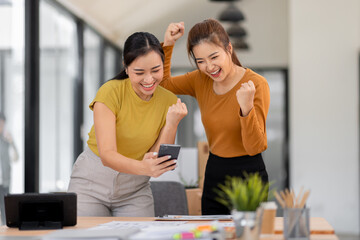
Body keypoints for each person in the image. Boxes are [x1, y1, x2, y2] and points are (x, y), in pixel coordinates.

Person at [68, 32, 188, 217]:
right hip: (91, 183)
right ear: (126, 67)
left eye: (156, 70)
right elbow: (107, 155)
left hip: (135, 191)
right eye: (139, 72)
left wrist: (172, 124)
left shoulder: (169, 101)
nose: (149, 80)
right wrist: (145, 168)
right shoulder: (110, 92)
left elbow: (155, 158)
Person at [161, 19, 270, 215]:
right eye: (200, 61)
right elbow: (164, 83)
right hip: (215, 170)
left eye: (214, 57)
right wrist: (168, 43)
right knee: (212, 232)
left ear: (229, 48)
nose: (209, 67)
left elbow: (255, 146)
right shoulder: (199, 80)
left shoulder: (256, 84)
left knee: (248, 235)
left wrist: (246, 109)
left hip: (249, 171)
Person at [0, 112, 19, 224]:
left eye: (2, 124)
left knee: (4, 208)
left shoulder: (7, 140)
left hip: (5, 181)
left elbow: (16, 157)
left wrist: (12, 142)